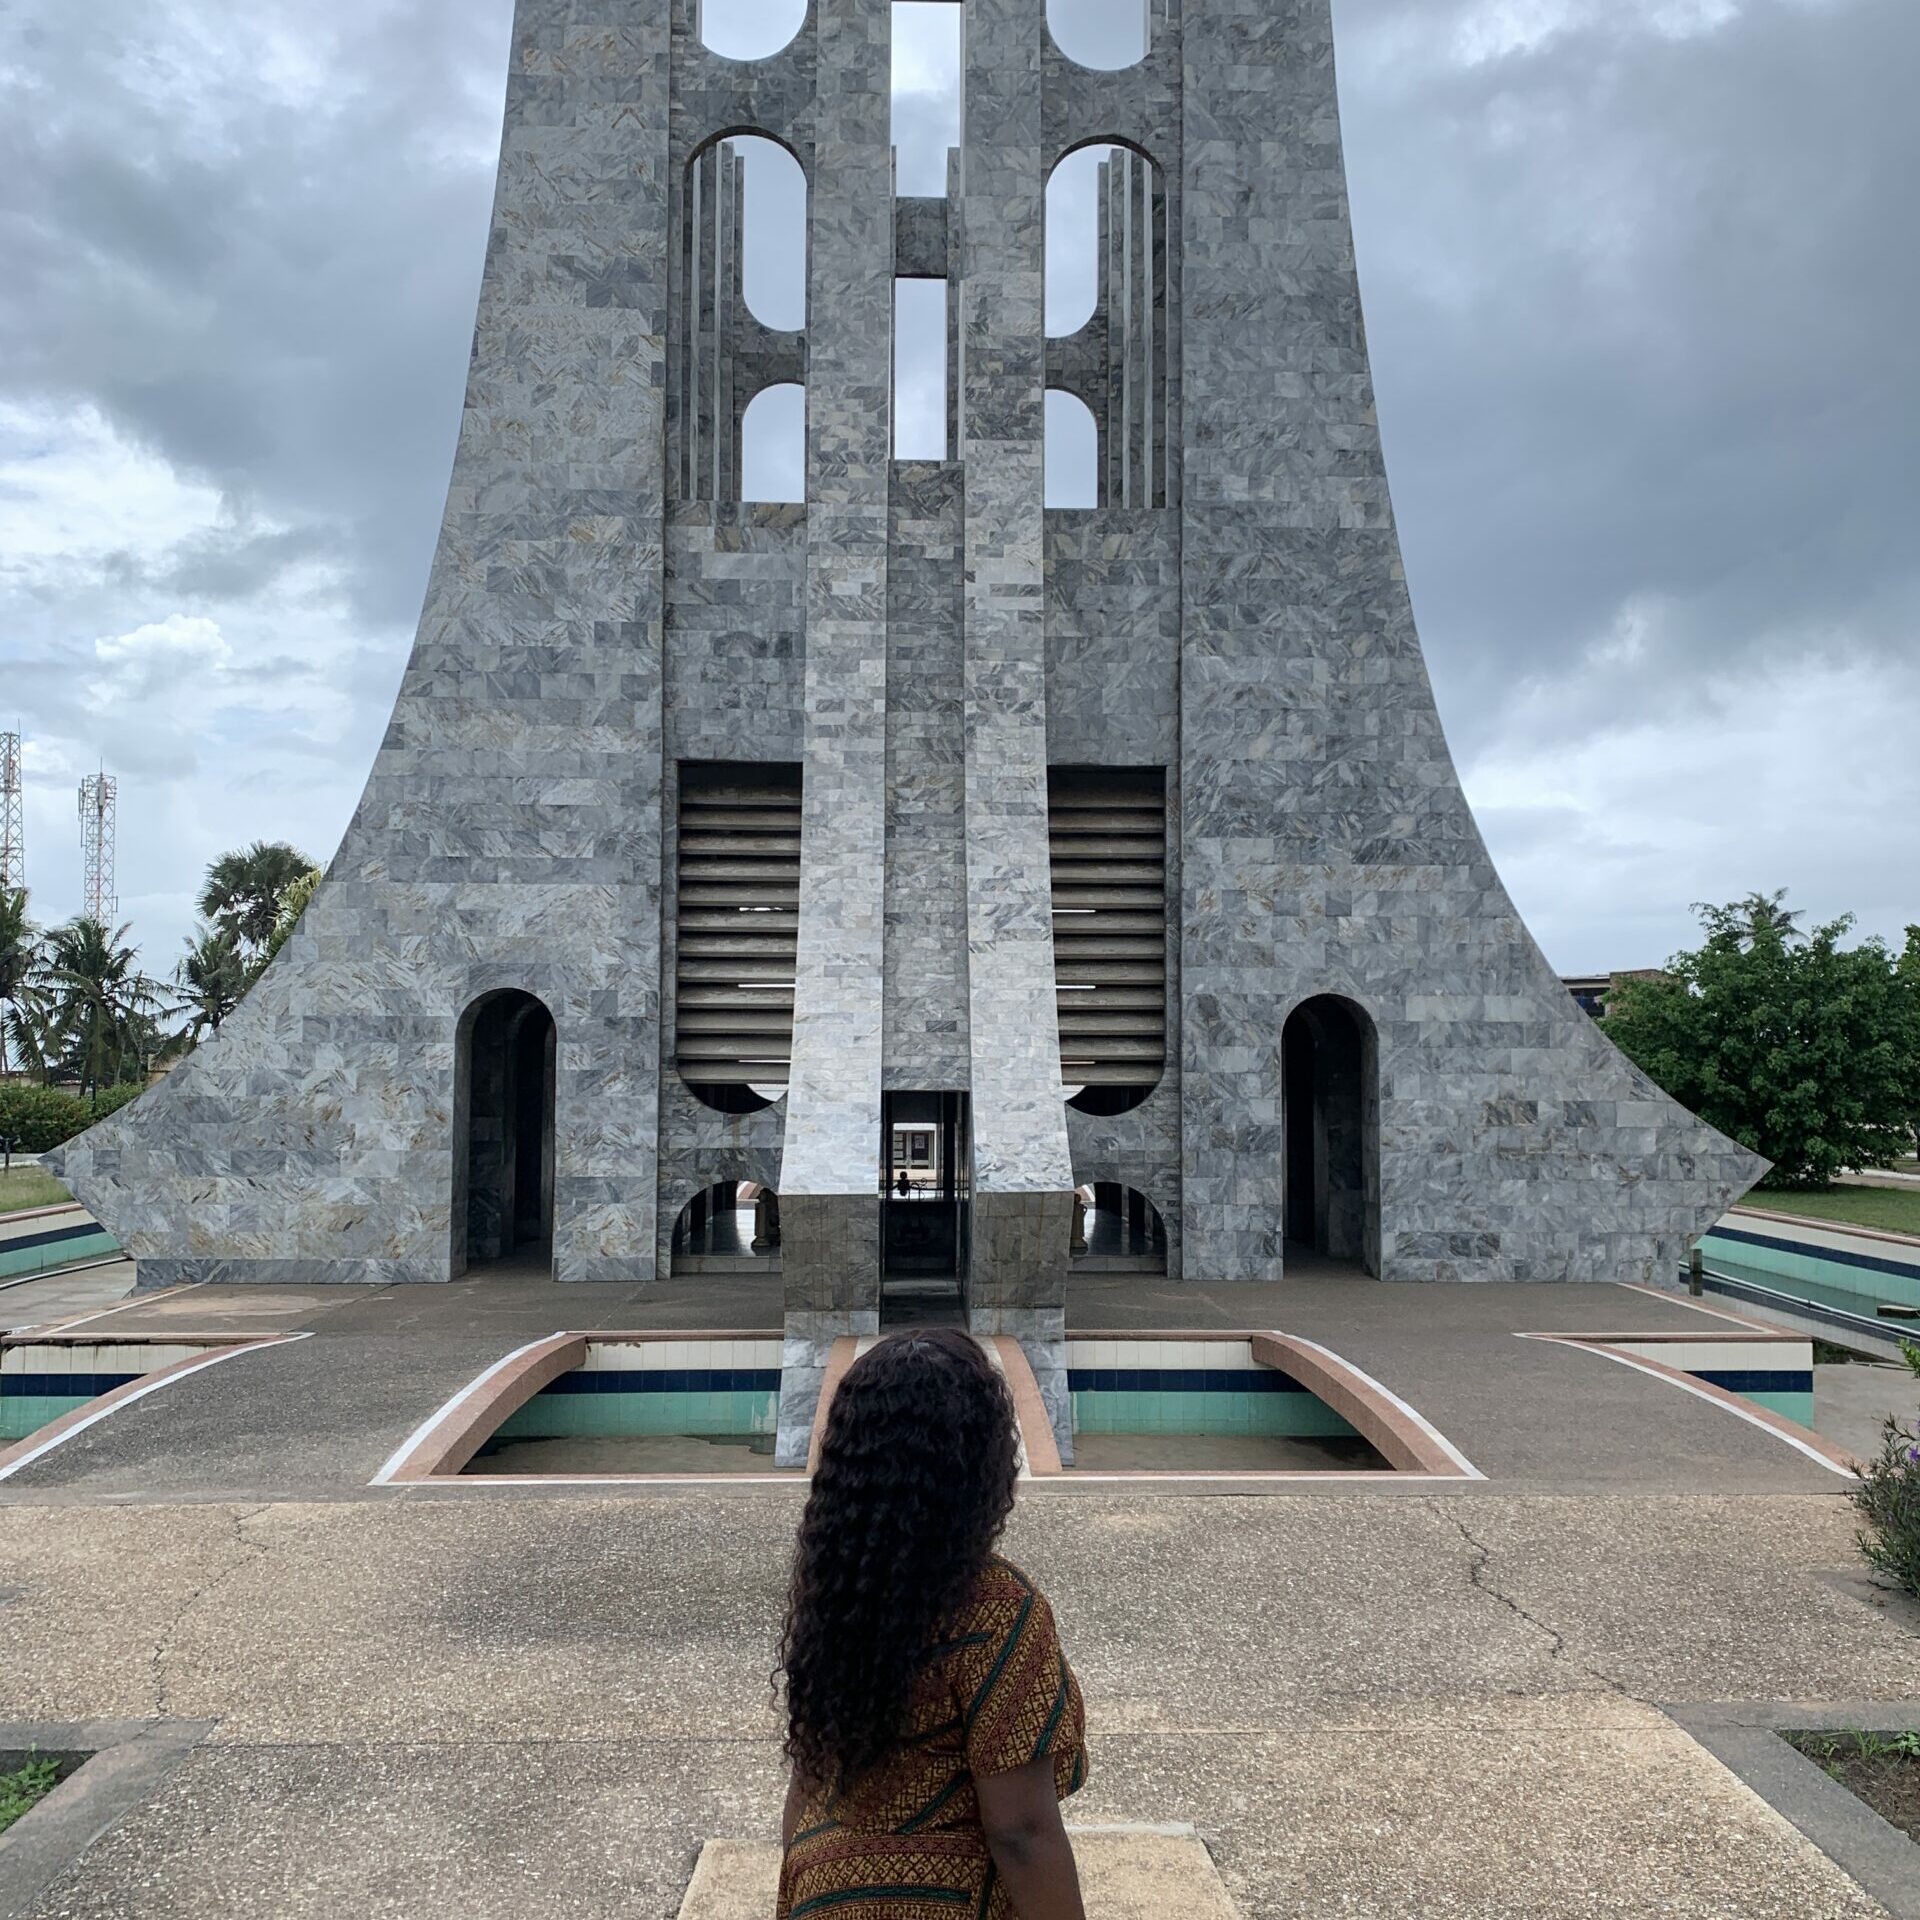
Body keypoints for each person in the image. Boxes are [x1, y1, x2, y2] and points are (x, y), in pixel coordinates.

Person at [775, 1329, 1088, 1919]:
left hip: (825, 1889)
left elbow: (808, 1779)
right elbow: (1021, 1831)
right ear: (979, 1464)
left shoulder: (835, 1588)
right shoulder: (995, 1608)